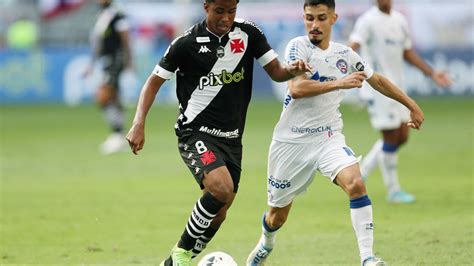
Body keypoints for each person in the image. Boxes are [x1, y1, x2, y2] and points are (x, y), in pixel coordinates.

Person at [125, 0, 311, 265]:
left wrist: (292, 70)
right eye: (219, 11)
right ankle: (181, 254)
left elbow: (277, 72)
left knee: (220, 212)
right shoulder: (186, 43)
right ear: (206, 7)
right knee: (220, 189)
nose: (226, 18)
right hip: (195, 132)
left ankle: (174, 263)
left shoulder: (249, 34)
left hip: (232, 139)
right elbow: (153, 82)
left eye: (231, 11)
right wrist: (138, 122)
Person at [246, 0, 424, 265]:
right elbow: (297, 89)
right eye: (309, 18)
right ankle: (266, 242)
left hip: (328, 137)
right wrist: (339, 83)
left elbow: (377, 80)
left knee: (356, 183)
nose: (314, 25)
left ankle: (368, 258)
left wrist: (411, 105)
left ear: (333, 18)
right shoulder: (298, 47)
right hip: (291, 142)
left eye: (320, 18)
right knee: (277, 216)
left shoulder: (345, 55)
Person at [349, 0, 452, 203]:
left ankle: (362, 171)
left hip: (397, 89)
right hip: (377, 88)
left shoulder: (400, 20)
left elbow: (407, 52)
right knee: (391, 136)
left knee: (402, 135)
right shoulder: (367, 21)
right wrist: (338, 61)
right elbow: (354, 45)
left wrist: (431, 73)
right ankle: (393, 190)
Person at [83, 0, 132, 155]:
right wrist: (91, 63)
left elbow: (125, 38)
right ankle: (123, 136)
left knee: (103, 97)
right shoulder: (102, 13)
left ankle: (117, 134)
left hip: (115, 60)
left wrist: (128, 60)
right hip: (106, 60)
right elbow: (98, 41)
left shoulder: (117, 13)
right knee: (114, 98)